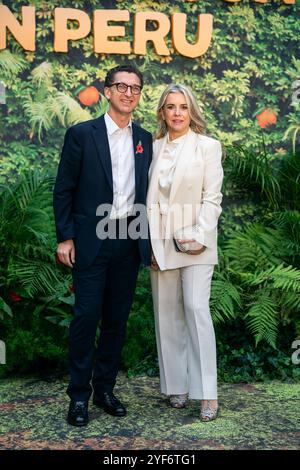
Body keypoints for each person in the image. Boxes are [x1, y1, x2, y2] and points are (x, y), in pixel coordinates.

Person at [53, 64, 152, 426]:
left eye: (135, 88)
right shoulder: (82, 134)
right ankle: (78, 397)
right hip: (91, 240)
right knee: (85, 317)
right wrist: (66, 236)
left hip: (128, 239)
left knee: (116, 320)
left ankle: (104, 390)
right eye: (121, 86)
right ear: (107, 91)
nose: (128, 93)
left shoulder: (144, 139)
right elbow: (64, 187)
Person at [147, 84, 223, 421]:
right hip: (159, 241)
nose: (177, 113)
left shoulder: (208, 147)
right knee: (167, 314)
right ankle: (176, 385)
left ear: (191, 110)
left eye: (183, 106)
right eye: (170, 107)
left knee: (195, 308)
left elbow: (212, 197)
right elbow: (144, 200)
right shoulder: (151, 148)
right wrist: (147, 243)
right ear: (162, 112)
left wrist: (199, 235)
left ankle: (207, 392)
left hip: (196, 241)